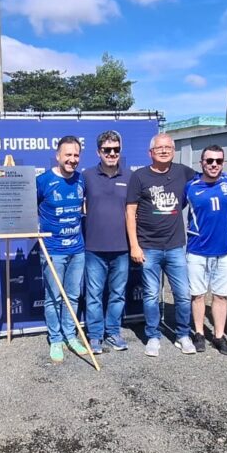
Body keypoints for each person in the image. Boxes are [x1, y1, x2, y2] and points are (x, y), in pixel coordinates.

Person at [126, 132, 197, 356]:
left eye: (168, 147)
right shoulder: (139, 177)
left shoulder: (183, 172)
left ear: (173, 151)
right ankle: (153, 336)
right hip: (149, 247)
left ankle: (183, 335)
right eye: (159, 148)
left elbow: (210, 179)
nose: (164, 151)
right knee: (150, 295)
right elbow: (130, 212)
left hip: (176, 246)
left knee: (183, 294)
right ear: (151, 153)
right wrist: (134, 246)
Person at [185, 145, 227, 355]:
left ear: (223, 163)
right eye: (209, 161)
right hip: (197, 250)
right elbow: (170, 208)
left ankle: (219, 336)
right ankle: (199, 333)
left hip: (224, 251)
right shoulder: (190, 186)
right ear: (202, 163)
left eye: (218, 161)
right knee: (197, 295)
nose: (214, 164)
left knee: (221, 296)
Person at [37, 135, 87, 362]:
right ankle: (55, 339)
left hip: (77, 248)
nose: (72, 159)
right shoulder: (43, 180)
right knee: (53, 298)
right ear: (58, 156)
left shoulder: (81, 180)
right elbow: (26, 210)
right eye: (68, 155)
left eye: (76, 155)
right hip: (52, 250)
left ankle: (70, 335)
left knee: (73, 296)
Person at [82, 130, 130, 354]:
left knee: (118, 294)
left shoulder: (130, 177)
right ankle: (95, 336)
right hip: (93, 247)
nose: (112, 153)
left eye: (116, 150)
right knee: (94, 295)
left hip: (122, 247)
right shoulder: (87, 176)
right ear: (98, 152)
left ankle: (113, 332)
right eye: (107, 150)